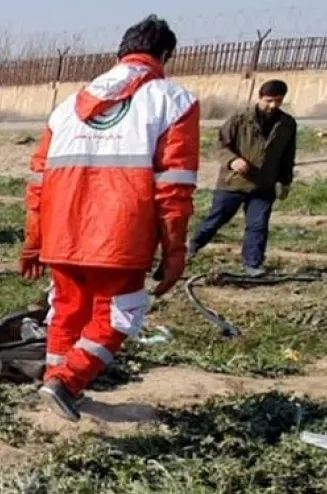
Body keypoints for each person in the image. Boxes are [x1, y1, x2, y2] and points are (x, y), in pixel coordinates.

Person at [19, 15, 199, 423]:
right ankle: (67, 382)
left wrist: (34, 241)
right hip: (121, 234)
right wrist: (175, 250)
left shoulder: (67, 107)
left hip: (62, 231)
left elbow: (38, 179)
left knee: (67, 310)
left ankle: (59, 383)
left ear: (120, 53)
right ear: (166, 55)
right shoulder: (173, 101)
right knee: (119, 315)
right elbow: (175, 187)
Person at [188, 80, 297, 278]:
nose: (273, 105)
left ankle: (253, 264)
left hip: (264, 185)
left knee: (258, 226)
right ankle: (191, 247)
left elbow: (288, 155)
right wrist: (232, 161)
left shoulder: (287, 124)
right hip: (233, 182)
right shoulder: (239, 119)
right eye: (269, 100)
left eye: (278, 101)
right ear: (259, 98)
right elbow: (221, 146)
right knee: (216, 220)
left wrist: (286, 181)